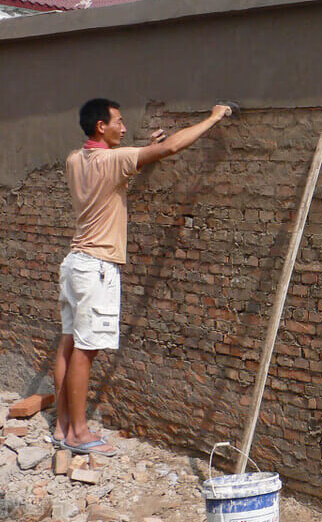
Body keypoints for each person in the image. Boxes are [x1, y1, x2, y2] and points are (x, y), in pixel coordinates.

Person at [53, 98, 234, 457]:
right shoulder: (114, 160)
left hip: (74, 264)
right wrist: (213, 117)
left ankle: (62, 427)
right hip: (97, 268)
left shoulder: (75, 160)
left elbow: (118, 167)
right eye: (118, 122)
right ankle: (79, 433)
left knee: (68, 345)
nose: (124, 128)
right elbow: (171, 147)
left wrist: (142, 151)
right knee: (86, 351)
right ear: (101, 126)